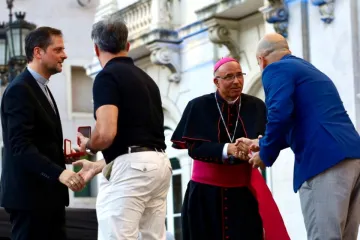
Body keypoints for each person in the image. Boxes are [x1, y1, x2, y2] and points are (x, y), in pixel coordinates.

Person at [242, 32, 360, 240]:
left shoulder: (275, 69)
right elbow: (307, 121)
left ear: (261, 59)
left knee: (324, 236)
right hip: (352, 157)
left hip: (323, 161)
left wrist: (266, 154)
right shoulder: (310, 70)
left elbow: (279, 113)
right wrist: (261, 142)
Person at [73, 14, 172, 240]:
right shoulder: (147, 80)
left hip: (133, 171)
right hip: (159, 165)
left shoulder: (106, 77)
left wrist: (89, 144)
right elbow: (138, 139)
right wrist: (99, 165)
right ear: (127, 46)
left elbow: (106, 134)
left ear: (97, 49)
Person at [170, 57, 290, 240]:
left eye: (239, 75)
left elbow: (269, 139)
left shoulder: (256, 106)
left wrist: (258, 150)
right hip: (204, 196)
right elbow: (195, 149)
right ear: (216, 81)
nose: (236, 81)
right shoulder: (199, 106)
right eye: (229, 77)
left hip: (242, 196)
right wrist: (228, 149)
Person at [0, 27, 85, 240]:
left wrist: (64, 155)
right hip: (30, 200)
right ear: (38, 52)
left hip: (48, 199)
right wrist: (59, 172)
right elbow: (20, 147)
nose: (64, 55)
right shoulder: (20, 90)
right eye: (58, 50)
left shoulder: (42, 88)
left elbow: (38, 142)